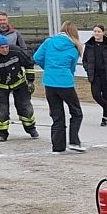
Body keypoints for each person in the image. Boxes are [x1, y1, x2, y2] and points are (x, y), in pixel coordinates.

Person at [33, 21, 85, 153]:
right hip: (65, 82)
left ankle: (58, 146)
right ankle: (74, 141)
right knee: (76, 112)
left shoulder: (49, 42)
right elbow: (72, 67)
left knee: (57, 115)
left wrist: (48, 68)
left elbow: (37, 57)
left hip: (49, 82)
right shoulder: (73, 48)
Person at [0, 34, 39, 141]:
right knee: (3, 111)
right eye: (2, 48)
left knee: (26, 108)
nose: (5, 49)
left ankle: (31, 128)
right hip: (1, 87)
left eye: (6, 46)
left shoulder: (16, 51)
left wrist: (30, 81)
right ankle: (2, 133)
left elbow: (29, 64)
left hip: (19, 83)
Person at [83, 24, 107, 126]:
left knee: (106, 96)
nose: (96, 33)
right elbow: (85, 60)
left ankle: (104, 118)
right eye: (95, 31)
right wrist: (87, 69)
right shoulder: (89, 45)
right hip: (94, 75)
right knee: (96, 95)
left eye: (99, 31)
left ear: (103, 33)